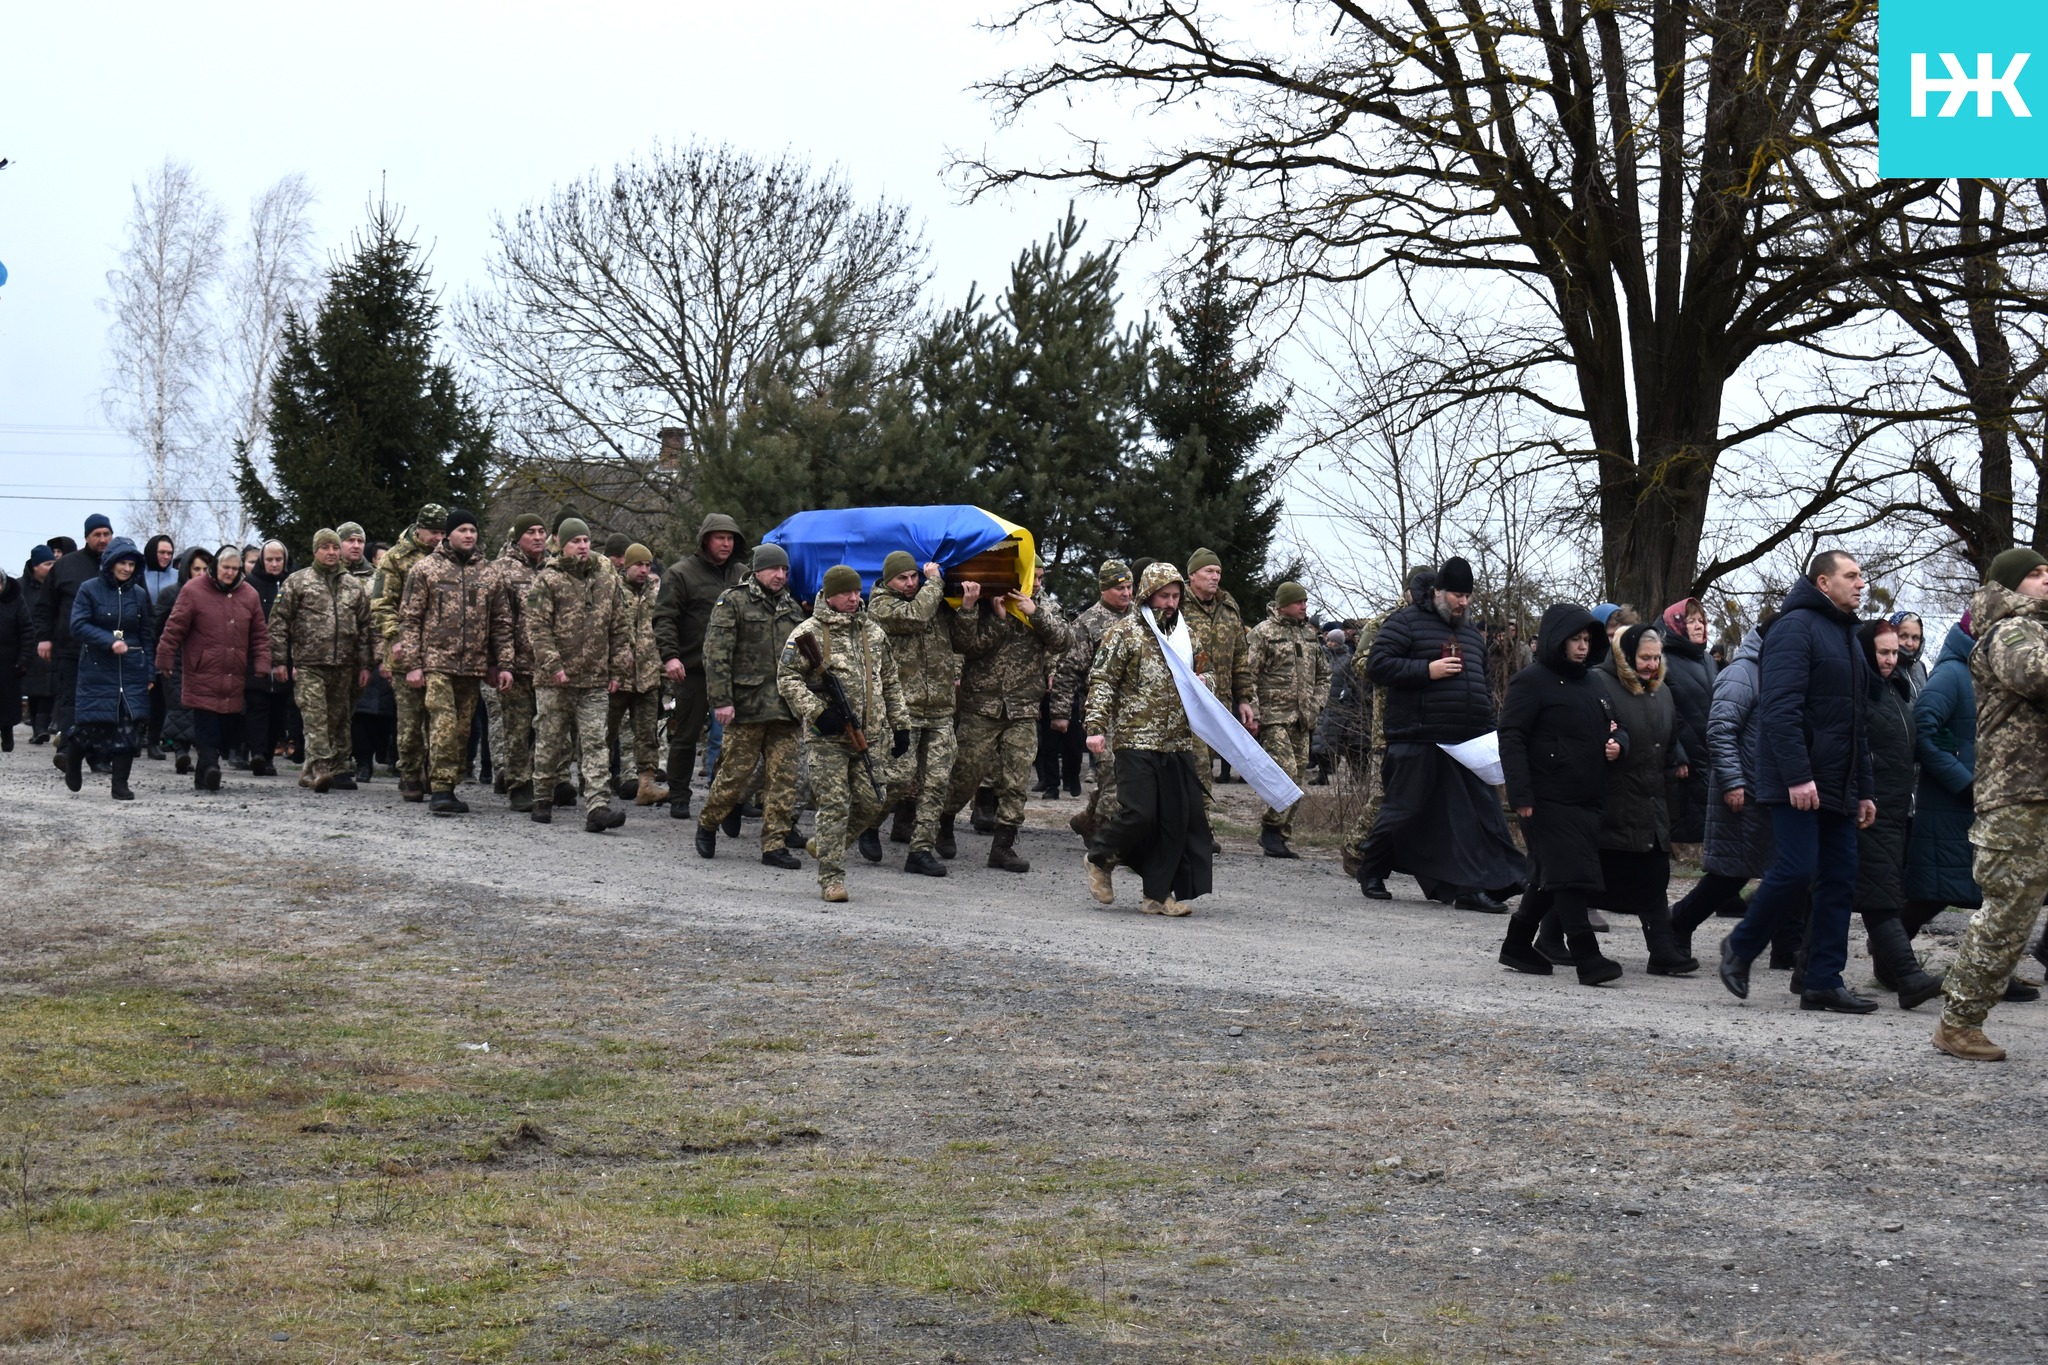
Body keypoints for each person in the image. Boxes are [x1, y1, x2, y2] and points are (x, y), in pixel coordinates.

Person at [1717, 551, 1879, 1014]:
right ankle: (1741, 946)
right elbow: (1780, 711)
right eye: (1852, 575)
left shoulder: (1847, 634)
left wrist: (1864, 788)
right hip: (1798, 782)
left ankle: (1823, 981)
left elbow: (1856, 724)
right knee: (1796, 869)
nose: (1861, 583)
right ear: (1823, 582)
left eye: (1861, 575)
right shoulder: (1793, 627)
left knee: (1840, 880)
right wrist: (1798, 776)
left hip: (1839, 783)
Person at [1352, 556, 1527, 910]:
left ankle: (1484, 883)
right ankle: (1370, 867)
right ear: (1437, 592)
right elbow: (1377, 665)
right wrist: (1426, 670)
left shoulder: (1470, 634)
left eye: (1467, 596)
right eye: (1456, 595)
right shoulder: (1405, 622)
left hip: (1466, 741)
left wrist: (1488, 731)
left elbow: (1480, 684)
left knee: (1478, 814)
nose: (1463, 602)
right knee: (1404, 809)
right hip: (1417, 735)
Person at [1933, 548, 2048, 1060]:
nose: (2047, 580)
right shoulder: (2008, 633)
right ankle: (1958, 1022)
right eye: (2036, 574)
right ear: (2009, 585)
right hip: (2018, 798)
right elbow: (2037, 675)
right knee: (2008, 916)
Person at [1496, 603, 1624, 984]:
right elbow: (1511, 738)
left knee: (1547, 874)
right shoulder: (1530, 682)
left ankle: (1517, 944)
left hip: (1586, 795)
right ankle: (1588, 957)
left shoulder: (1594, 682)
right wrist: (1521, 796)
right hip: (1545, 797)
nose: (1583, 647)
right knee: (1569, 875)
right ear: (1556, 640)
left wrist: (1619, 744)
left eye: (1587, 639)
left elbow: (1616, 727)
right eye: (1575, 639)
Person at [1083, 561, 1214, 916]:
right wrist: (1094, 727)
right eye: (1163, 596)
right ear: (1147, 595)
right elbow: (1102, 681)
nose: (1170, 603)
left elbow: (1208, 673)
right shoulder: (1125, 633)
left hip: (1176, 742)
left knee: (1174, 822)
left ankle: (1158, 895)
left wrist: (1206, 684)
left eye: (1175, 596)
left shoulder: (1188, 635)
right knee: (1140, 814)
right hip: (1134, 739)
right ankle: (1098, 858)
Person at [778, 564, 909, 903]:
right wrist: (819, 712)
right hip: (827, 740)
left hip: (870, 735)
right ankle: (832, 878)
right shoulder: (807, 633)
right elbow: (787, 679)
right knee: (835, 806)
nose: (854, 598)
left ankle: (824, 845)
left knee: (872, 802)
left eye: (856, 592)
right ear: (830, 595)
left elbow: (890, 681)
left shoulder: (872, 632)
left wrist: (901, 724)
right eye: (846, 593)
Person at [944, 574, 1073, 872]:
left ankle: (1002, 846)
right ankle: (944, 822)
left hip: (1023, 708)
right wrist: (997, 619)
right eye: (1032, 575)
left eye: (1041, 577)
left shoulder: (1044, 607)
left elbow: (1064, 641)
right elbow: (965, 646)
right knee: (966, 773)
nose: (1038, 581)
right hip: (981, 705)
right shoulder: (987, 604)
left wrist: (1035, 614)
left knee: (1016, 781)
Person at [1669, 615, 1779, 962]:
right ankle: (1679, 922)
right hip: (1742, 789)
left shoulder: (1781, 671)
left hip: (1770, 790)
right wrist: (1733, 782)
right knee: (1731, 875)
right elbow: (1720, 729)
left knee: (1787, 870)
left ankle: (1788, 948)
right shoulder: (1742, 672)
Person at [1587, 624, 1695, 973]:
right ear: (1625, 655)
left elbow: (1668, 748)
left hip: (1650, 802)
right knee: (1590, 879)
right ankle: (1547, 934)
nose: (1650, 665)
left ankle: (1662, 952)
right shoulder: (1599, 684)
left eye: (1655, 657)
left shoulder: (1661, 692)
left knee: (1654, 876)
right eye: (1643, 658)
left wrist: (1670, 804)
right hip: (1612, 800)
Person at [395, 509, 514, 816]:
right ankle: (442, 789)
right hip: (436, 663)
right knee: (443, 725)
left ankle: (446, 780)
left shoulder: (489, 573)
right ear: (448, 534)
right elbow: (409, 620)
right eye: (462, 530)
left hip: (472, 667)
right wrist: (412, 663)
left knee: (462, 731)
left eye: (472, 530)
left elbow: (500, 623)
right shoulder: (426, 570)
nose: (469, 535)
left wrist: (502, 664)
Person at [1851, 620, 1944, 1009]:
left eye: (1894, 652)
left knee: (1830, 894)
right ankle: (1907, 976)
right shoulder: (1857, 692)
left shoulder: (1895, 689)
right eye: (1882, 652)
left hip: (1894, 809)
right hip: (1867, 810)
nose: (1891, 659)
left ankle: (1807, 970)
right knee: (1880, 898)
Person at [696, 543, 805, 866]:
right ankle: (708, 823)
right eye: (774, 569)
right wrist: (722, 701)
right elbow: (716, 655)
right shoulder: (734, 602)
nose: (780, 575)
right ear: (758, 570)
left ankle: (774, 843)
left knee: (783, 781)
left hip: (784, 709)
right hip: (746, 707)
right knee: (734, 776)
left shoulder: (792, 609)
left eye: (784, 570)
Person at [525, 518, 629, 832]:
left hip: (595, 678)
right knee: (550, 740)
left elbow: (620, 628)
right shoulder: (547, 580)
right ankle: (542, 796)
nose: (583, 546)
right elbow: (537, 628)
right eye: (576, 541)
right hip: (555, 679)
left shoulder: (606, 580)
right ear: (562, 545)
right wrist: (554, 665)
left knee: (597, 742)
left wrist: (619, 669)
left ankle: (598, 806)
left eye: (586, 540)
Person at [868, 550, 961, 876]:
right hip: (903, 711)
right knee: (899, 779)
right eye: (902, 578)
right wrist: (934, 582)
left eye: (913, 576)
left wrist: (971, 608)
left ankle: (920, 850)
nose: (910, 582)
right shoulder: (881, 605)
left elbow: (962, 641)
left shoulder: (930, 599)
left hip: (940, 708)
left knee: (937, 783)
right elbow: (915, 617)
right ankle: (869, 822)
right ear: (888, 580)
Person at [654, 514, 749, 820]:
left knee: (737, 738)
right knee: (686, 734)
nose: (726, 543)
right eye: (720, 537)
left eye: (731, 538)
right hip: (692, 668)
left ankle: (732, 796)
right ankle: (679, 794)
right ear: (705, 539)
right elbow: (664, 617)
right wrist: (670, 656)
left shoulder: (743, 574)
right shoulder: (680, 574)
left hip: (735, 669)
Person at [156, 546, 271, 794]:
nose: (230, 573)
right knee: (206, 721)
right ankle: (210, 767)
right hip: (202, 670)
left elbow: (260, 634)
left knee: (227, 725)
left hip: (234, 673)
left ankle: (205, 772)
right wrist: (164, 657)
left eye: (234, 568)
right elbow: (174, 628)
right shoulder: (193, 590)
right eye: (225, 567)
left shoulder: (249, 595)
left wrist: (263, 661)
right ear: (215, 567)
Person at [267, 529, 374, 793]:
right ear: (315, 551)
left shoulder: (353, 585)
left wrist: (365, 664)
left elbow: (365, 628)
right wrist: (279, 660)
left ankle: (331, 769)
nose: (331, 552)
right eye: (325, 547)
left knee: (338, 719)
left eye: (335, 548)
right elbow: (278, 622)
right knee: (316, 718)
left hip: (344, 666)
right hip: (309, 664)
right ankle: (320, 769)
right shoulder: (298, 581)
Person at [1904, 612, 1981, 936]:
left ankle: (1890, 954)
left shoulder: (1983, 672)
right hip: (1954, 803)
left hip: (1977, 800)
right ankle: (1890, 952)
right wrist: (1964, 782)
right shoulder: (1952, 673)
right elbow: (1922, 729)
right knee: (1936, 891)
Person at [64, 536, 155, 800]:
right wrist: (109, 641)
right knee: (93, 724)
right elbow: (77, 625)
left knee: (129, 725)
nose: (127, 569)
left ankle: (120, 784)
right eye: (122, 563)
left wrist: (149, 671)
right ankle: (74, 756)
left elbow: (147, 634)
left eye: (131, 564)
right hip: (97, 667)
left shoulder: (138, 594)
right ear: (110, 563)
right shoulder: (89, 589)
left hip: (132, 668)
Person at [1050, 561, 1134, 844]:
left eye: (1129, 587)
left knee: (1119, 775)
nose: (1126, 593)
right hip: (1102, 712)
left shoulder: (1141, 618)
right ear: (1104, 589)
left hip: (1136, 712)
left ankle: (1089, 819)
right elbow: (1068, 670)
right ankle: (1107, 837)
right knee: (1114, 771)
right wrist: (1060, 712)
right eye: (1119, 588)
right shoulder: (1088, 623)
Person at [1245, 581, 1330, 859]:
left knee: (1299, 779)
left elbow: (1324, 675)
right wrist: (1254, 713)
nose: (1304, 606)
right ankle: (1270, 825)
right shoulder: (1263, 633)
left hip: (1303, 719)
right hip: (1275, 717)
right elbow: (1249, 675)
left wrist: (1316, 705)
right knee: (1287, 771)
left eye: (1305, 601)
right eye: (1298, 602)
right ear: (1283, 605)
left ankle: (1279, 836)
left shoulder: (1309, 634)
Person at [370, 505, 448, 802]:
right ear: (419, 529)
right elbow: (382, 604)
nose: (438, 538)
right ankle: (410, 773)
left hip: (441, 652)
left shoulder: (448, 558)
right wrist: (397, 636)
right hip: (404, 653)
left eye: (443, 532)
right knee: (410, 720)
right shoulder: (395, 558)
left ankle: (433, 769)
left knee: (438, 719)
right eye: (433, 532)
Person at [34, 513, 114, 761]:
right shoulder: (66, 565)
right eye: (96, 535)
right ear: (86, 537)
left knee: (103, 704)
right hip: (70, 647)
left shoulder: (121, 564)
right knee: (71, 700)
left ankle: (99, 756)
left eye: (106, 534)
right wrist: (44, 638)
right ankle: (67, 751)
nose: (102, 539)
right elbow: (46, 606)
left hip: (108, 649)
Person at [1181, 548, 1255, 817]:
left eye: (1218, 572)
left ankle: (1188, 826)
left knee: (1205, 762)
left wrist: (1244, 699)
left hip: (1219, 702)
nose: (1215, 577)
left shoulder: (1228, 608)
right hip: (1185, 702)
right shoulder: (1176, 605)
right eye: (1209, 571)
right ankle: (1203, 831)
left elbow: (1240, 658)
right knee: (1199, 766)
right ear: (1192, 575)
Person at [482, 515, 546, 811]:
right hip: (517, 665)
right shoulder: (501, 571)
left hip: (548, 664)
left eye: (541, 532)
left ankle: (546, 780)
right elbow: (499, 622)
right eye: (530, 532)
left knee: (547, 727)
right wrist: (502, 663)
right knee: (517, 727)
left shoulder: (553, 568)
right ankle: (518, 784)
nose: (537, 537)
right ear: (518, 537)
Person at [608, 544, 669, 807]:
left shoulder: (657, 595)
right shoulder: (611, 591)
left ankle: (646, 784)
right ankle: (594, 783)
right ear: (626, 566)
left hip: (647, 678)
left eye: (647, 565)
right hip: (616, 678)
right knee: (604, 734)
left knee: (647, 735)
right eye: (638, 565)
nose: (644, 570)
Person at [1656, 598, 1717, 844]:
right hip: (1682, 757)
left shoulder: (1709, 660)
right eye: (1691, 621)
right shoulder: (1662, 658)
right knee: (1685, 828)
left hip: (1709, 752)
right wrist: (1677, 754)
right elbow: (1662, 710)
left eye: (1701, 620)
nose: (1699, 626)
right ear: (1676, 624)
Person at [240, 541, 294, 775]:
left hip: (284, 658)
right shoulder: (250, 585)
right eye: (269, 559)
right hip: (254, 658)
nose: (274, 564)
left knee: (277, 710)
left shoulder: (291, 583)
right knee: (257, 707)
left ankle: (270, 755)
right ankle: (257, 754)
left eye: (278, 560)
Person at [139, 534, 177, 760]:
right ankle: (134, 736)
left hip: (167, 638)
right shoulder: (139, 574)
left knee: (161, 696)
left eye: (169, 553)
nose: (165, 557)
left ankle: (154, 740)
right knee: (140, 690)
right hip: (142, 637)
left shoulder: (175, 577)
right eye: (161, 552)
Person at [20, 546, 57, 743]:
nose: (52, 567)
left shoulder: (56, 586)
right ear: (35, 566)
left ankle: (41, 727)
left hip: (50, 641)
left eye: (53, 563)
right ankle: (37, 727)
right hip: (27, 643)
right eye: (47, 563)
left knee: (48, 686)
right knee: (34, 687)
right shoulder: (20, 587)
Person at [0, 561, 29, 751]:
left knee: (6, 702)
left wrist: (23, 658)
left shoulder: (16, 600)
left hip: (8, 660)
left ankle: (7, 734)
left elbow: (26, 629)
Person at [1890, 611, 1929, 697]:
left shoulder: (1920, 667)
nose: (1910, 643)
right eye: (1903, 636)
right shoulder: (1885, 666)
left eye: (1915, 638)